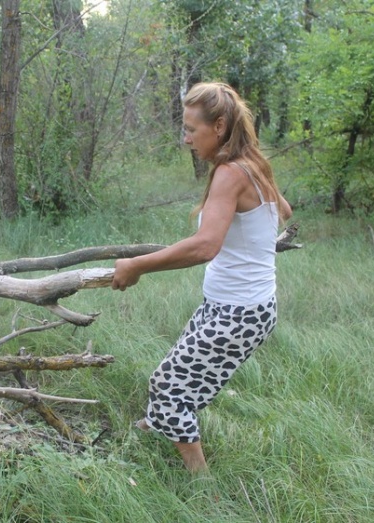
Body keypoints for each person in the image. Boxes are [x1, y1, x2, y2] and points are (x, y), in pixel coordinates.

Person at [111, 82, 292, 474]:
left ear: (221, 126)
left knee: (169, 386)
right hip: (236, 306)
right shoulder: (254, 164)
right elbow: (285, 210)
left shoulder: (230, 173)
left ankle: (201, 485)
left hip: (238, 312)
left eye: (192, 129)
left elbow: (205, 246)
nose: (186, 138)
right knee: (178, 376)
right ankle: (153, 428)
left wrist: (136, 265)